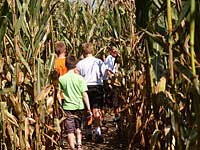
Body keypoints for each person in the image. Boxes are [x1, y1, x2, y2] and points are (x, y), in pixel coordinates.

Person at [58, 54, 92, 150]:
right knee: (78, 128)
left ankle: (72, 147)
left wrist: (60, 105)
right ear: (75, 65)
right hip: (79, 106)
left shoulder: (62, 79)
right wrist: (88, 108)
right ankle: (80, 146)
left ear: (66, 65)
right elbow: (84, 94)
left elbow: (58, 94)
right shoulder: (80, 78)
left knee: (69, 130)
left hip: (67, 107)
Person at [76, 42, 106, 143]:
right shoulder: (99, 62)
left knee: (86, 110)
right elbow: (105, 75)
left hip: (85, 87)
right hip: (97, 86)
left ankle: (88, 132)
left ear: (83, 51)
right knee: (96, 109)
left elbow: (78, 77)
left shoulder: (80, 64)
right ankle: (97, 132)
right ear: (92, 50)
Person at [104, 46, 120, 123]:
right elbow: (108, 70)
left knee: (116, 100)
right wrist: (112, 79)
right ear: (110, 52)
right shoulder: (109, 58)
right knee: (113, 101)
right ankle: (114, 117)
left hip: (118, 82)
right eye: (113, 51)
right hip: (113, 83)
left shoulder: (119, 58)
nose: (115, 52)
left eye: (116, 51)